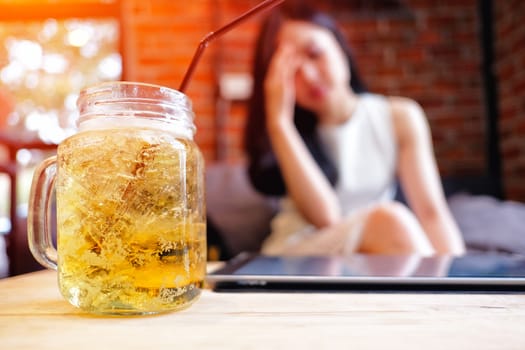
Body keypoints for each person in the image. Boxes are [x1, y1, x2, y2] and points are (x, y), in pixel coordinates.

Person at [243, 3, 466, 257]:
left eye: (315, 53)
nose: (309, 75)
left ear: (340, 46)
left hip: (373, 258)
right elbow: (327, 218)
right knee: (390, 221)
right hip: (300, 256)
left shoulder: (399, 117)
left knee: (392, 224)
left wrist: (463, 283)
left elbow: (431, 213)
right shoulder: (290, 131)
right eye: (290, 70)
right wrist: (279, 122)